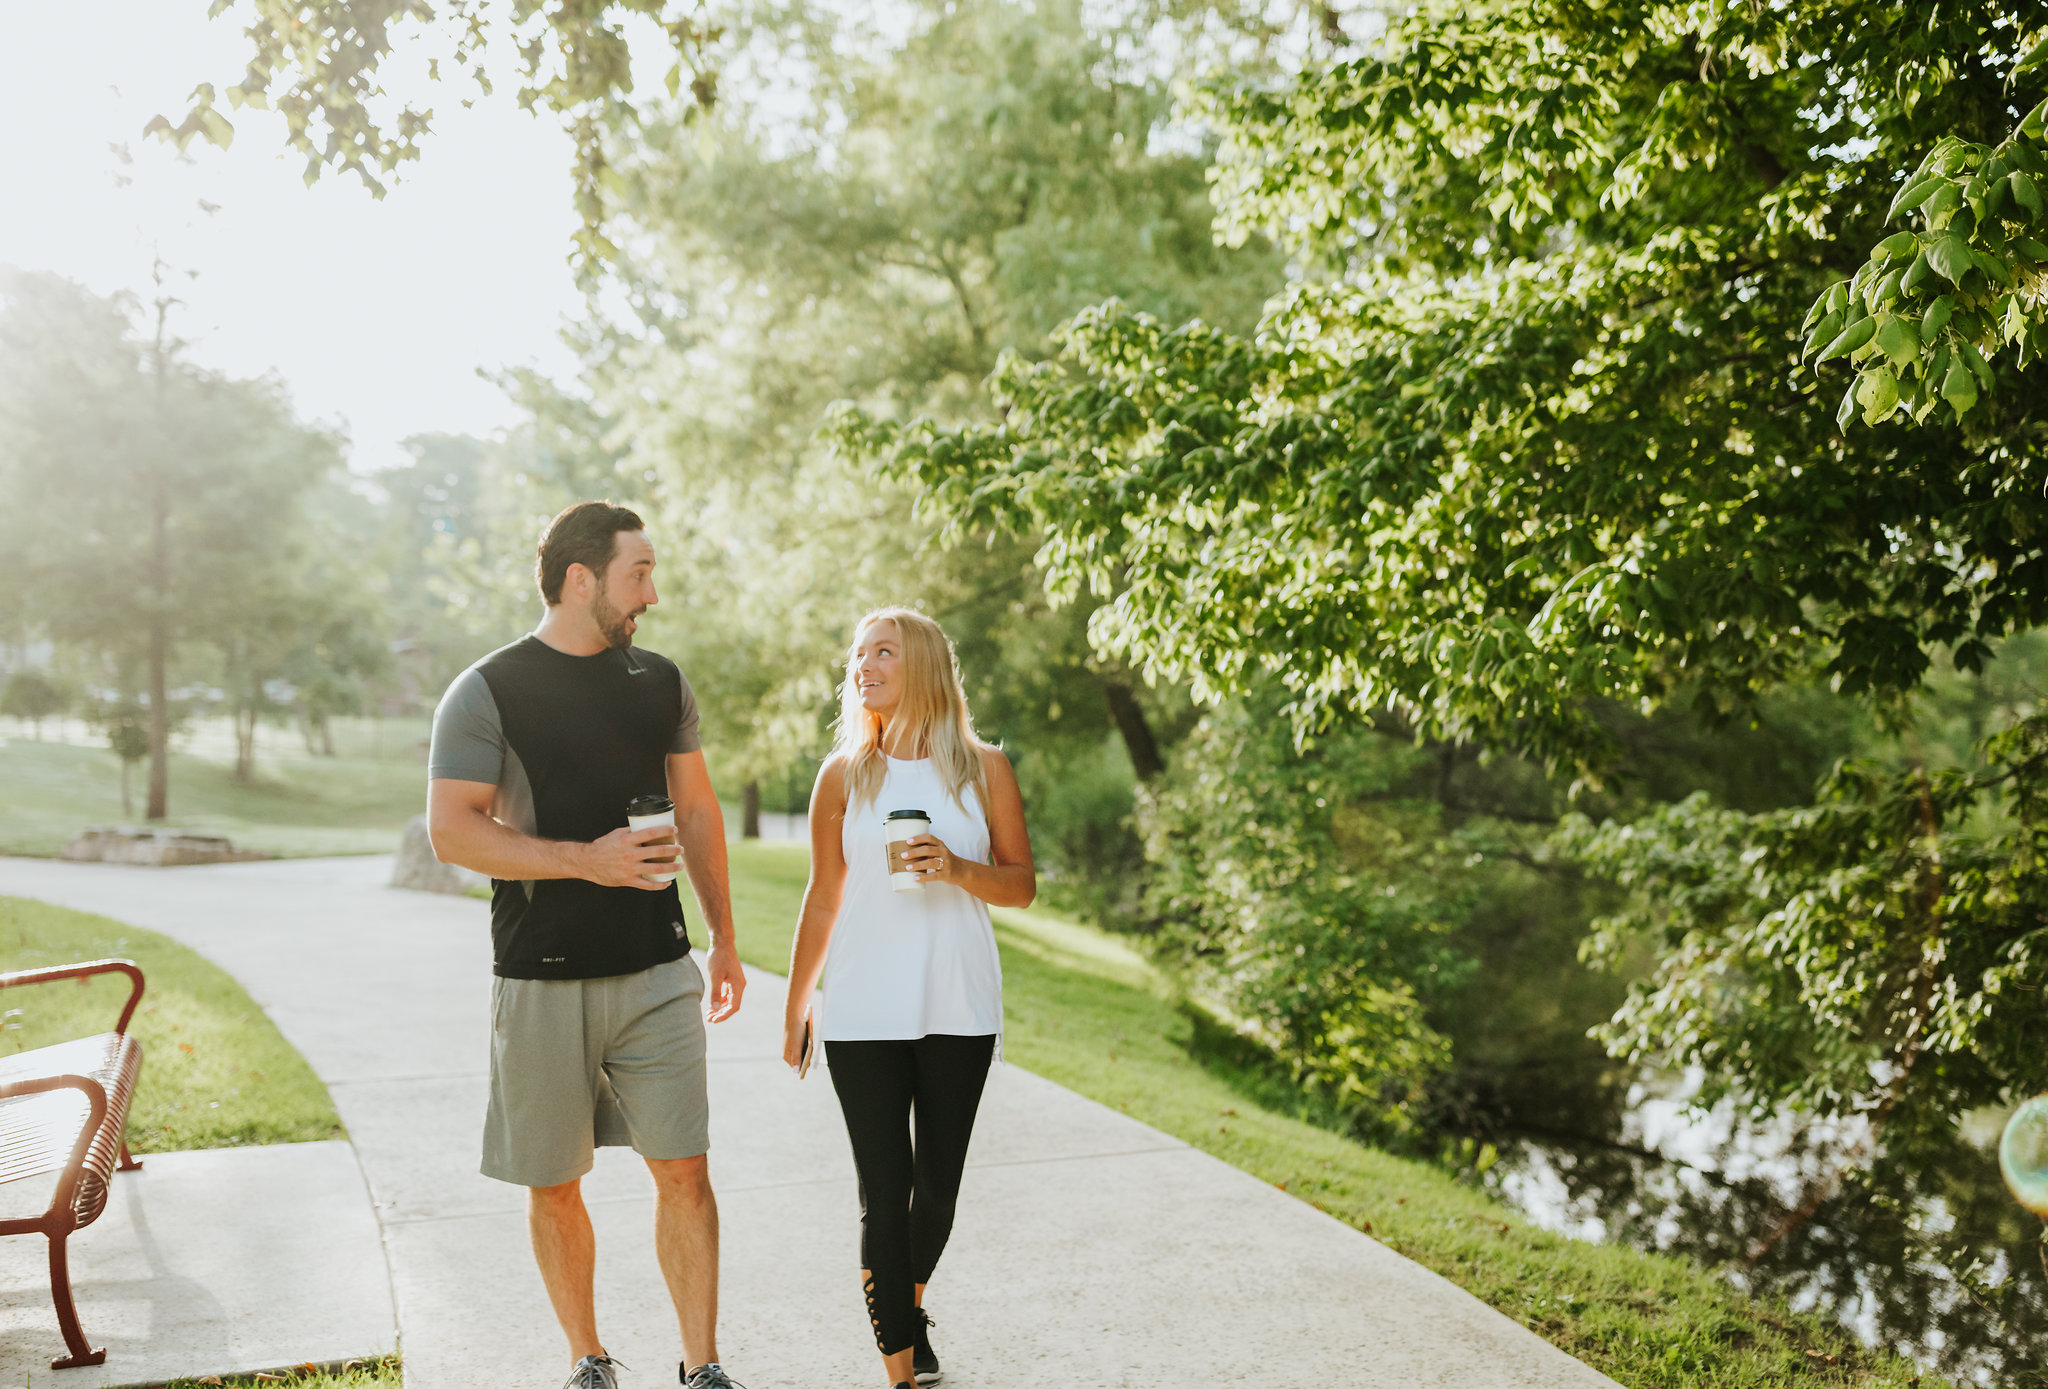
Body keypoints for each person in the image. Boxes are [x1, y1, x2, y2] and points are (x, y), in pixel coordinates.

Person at [426, 501, 749, 1389]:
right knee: (554, 1179)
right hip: (539, 975)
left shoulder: (660, 681)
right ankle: (588, 1357)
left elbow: (698, 811)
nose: (653, 590)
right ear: (581, 579)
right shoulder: (486, 690)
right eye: (638, 572)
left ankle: (703, 1365)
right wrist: (588, 862)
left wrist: (723, 937)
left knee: (685, 1167)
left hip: (656, 967)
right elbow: (453, 832)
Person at [780, 607, 1036, 1389]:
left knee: (938, 1192)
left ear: (922, 662)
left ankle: (906, 1305)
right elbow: (824, 896)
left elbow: (1020, 884)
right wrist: (796, 1005)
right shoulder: (843, 773)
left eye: (882, 651)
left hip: (958, 1003)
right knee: (884, 1198)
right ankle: (899, 1369)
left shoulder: (983, 766)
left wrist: (959, 867)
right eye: (858, 654)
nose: (864, 665)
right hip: (862, 1007)